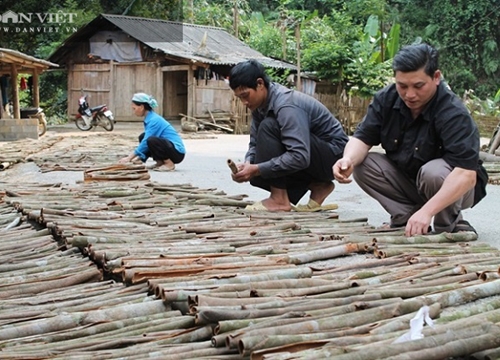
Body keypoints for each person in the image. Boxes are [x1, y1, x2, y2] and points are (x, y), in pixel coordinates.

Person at [333, 43, 488, 236]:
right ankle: (405, 217)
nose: (410, 94)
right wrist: (347, 159)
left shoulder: (453, 113)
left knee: (434, 172)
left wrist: (427, 211)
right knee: (363, 164)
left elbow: (466, 174)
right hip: (409, 180)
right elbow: (362, 139)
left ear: (436, 77)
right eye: (402, 86)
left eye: (418, 86)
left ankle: (448, 226)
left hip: (455, 187)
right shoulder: (386, 99)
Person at [228, 59, 349, 211]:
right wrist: (248, 163)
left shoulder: (286, 105)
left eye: (246, 95)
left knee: (269, 128)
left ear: (260, 84)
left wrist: (257, 168)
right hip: (313, 156)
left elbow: (299, 156)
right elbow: (255, 143)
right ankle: (318, 186)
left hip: (334, 158)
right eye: (240, 98)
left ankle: (279, 199)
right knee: (258, 168)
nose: (244, 102)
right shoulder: (260, 106)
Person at [119, 93, 185, 171]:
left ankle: (169, 164)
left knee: (150, 140)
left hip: (177, 152)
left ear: (141, 107)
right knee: (143, 136)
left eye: (134, 108)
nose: (134, 111)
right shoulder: (150, 118)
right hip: (168, 147)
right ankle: (160, 162)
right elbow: (146, 140)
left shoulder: (154, 120)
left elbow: (146, 141)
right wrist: (141, 157)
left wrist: (129, 158)